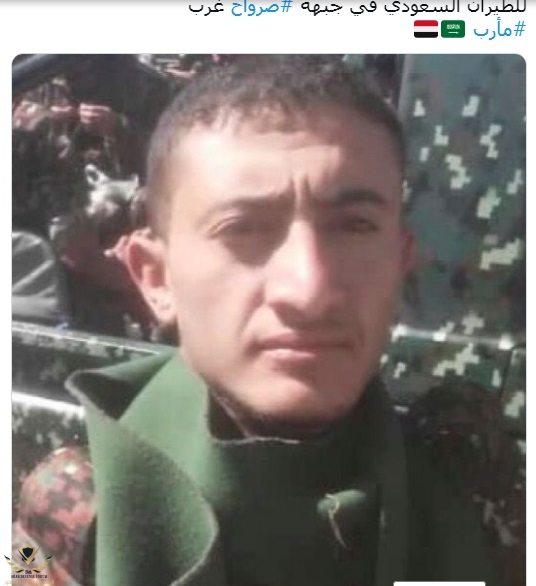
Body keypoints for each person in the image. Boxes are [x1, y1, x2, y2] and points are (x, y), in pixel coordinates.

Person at [16, 56, 503, 586]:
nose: (309, 291)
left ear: (399, 264)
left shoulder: (471, 487)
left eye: (356, 226)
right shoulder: (66, 512)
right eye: (242, 230)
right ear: (156, 278)